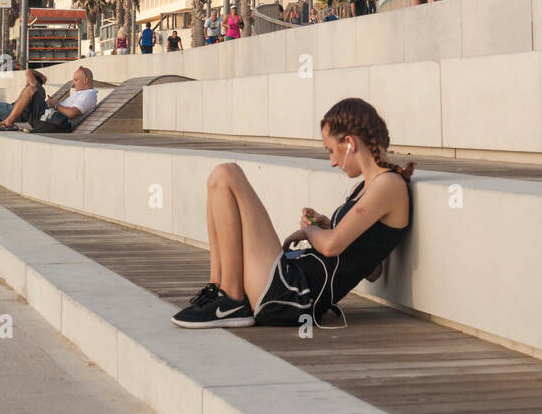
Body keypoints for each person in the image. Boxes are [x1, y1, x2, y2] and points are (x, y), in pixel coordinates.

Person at [171, 98, 413, 329]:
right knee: (218, 180)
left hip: (294, 294)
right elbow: (372, 269)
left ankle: (230, 300)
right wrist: (327, 226)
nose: (331, 161)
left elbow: (331, 247)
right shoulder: (366, 187)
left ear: (349, 143)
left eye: (331, 150)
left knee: (226, 173)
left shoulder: (388, 185)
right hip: (291, 284)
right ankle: (218, 289)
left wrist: (310, 231)